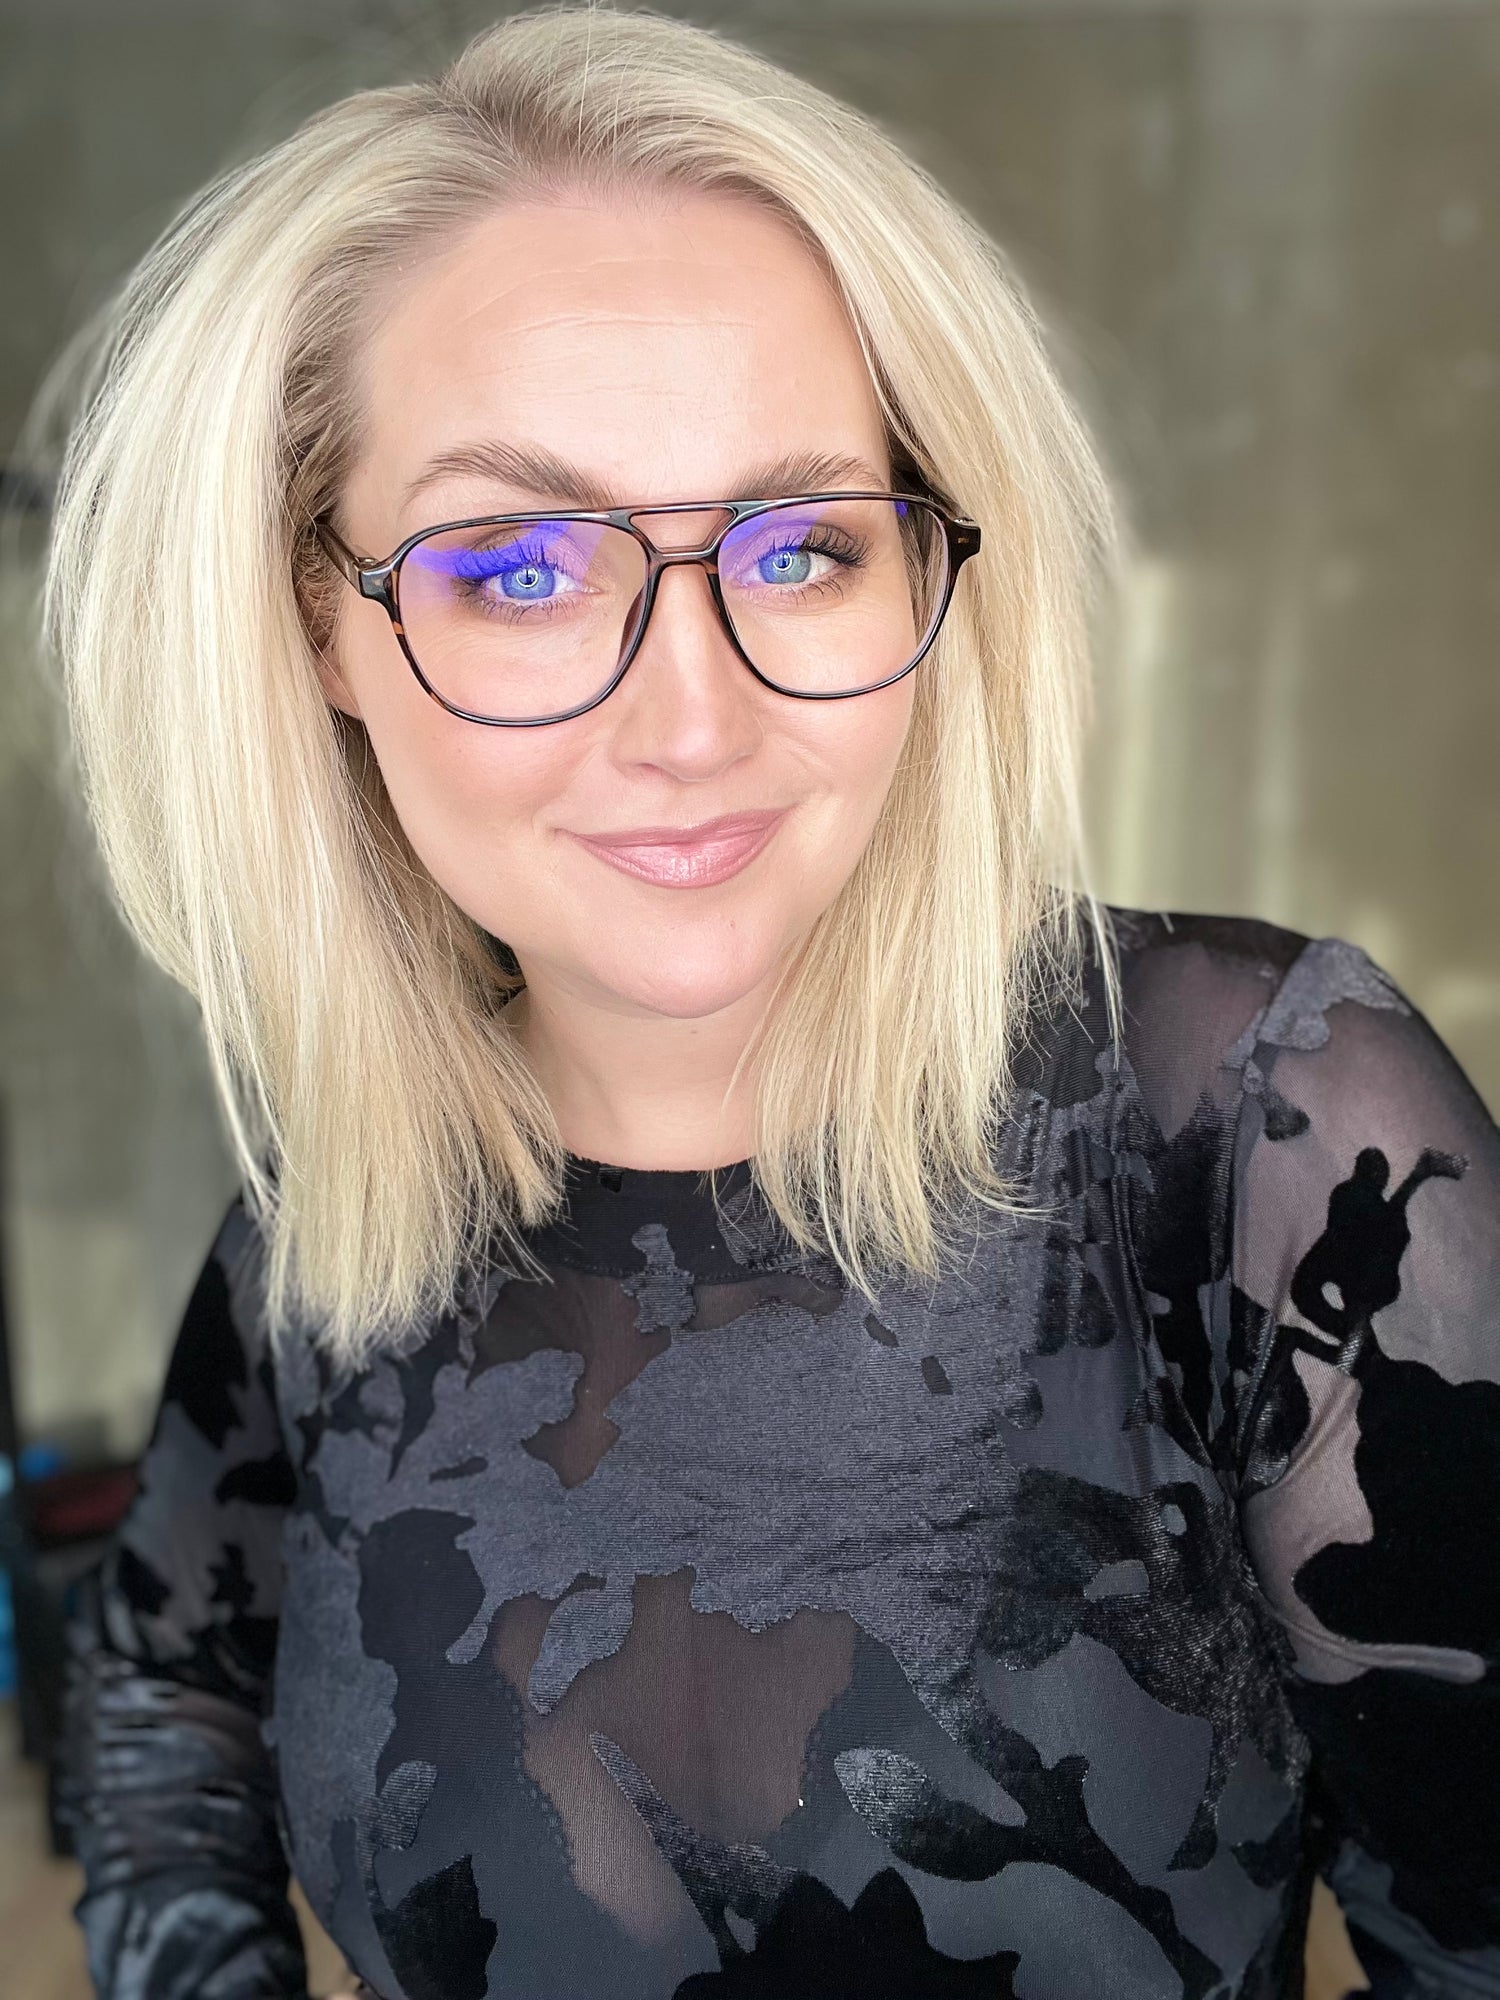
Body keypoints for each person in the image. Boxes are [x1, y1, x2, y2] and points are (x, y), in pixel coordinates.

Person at [37, 8, 1499, 1998]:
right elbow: (159, 1698)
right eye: (522, 567)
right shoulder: (335, 1226)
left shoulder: (1251, 1125)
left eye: (801, 545)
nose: (694, 720)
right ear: (325, 629)